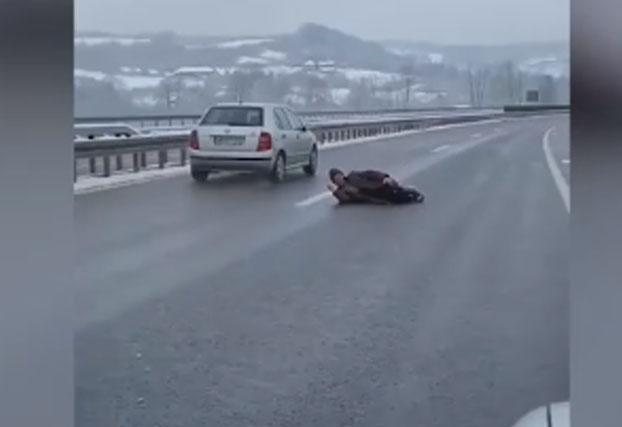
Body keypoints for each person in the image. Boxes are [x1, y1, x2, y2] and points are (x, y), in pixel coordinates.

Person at [327, 168, 425, 205]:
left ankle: (413, 193)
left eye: (338, 176)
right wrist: (335, 192)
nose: (338, 179)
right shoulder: (343, 191)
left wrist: (383, 177)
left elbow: (370, 173)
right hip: (374, 197)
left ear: (342, 175)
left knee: (396, 191)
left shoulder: (353, 175)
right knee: (396, 201)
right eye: (335, 179)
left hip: (379, 186)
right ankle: (410, 196)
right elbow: (345, 200)